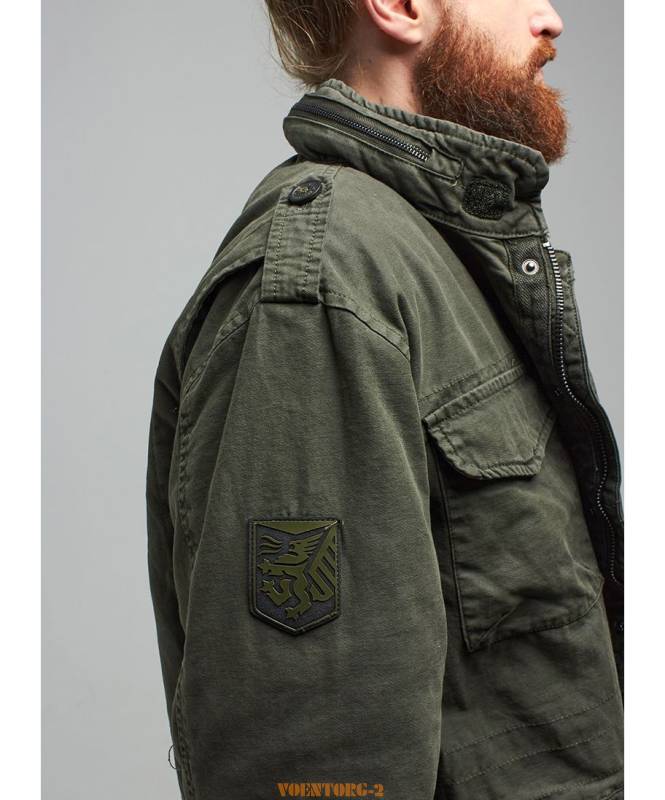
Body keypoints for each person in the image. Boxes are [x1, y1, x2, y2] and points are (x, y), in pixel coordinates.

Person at [145, 1, 624, 798]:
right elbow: (313, 755)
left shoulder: (420, 246)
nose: (550, 19)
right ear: (399, 7)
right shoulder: (326, 276)